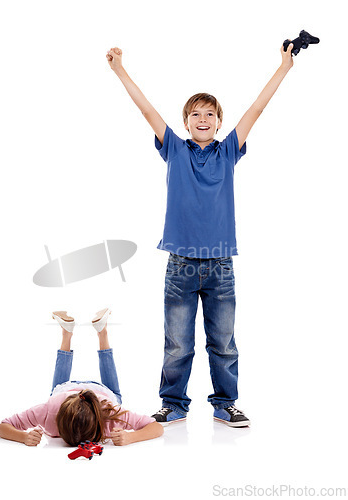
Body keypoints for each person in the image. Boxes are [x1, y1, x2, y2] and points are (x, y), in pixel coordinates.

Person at [106, 42, 295, 426]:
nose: (203, 118)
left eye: (210, 114)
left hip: (221, 264)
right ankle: (173, 404)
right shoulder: (174, 149)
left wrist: (284, 66)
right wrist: (120, 70)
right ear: (186, 121)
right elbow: (146, 110)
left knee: (223, 342)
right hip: (181, 264)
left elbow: (257, 108)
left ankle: (226, 403)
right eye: (196, 114)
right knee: (177, 344)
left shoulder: (228, 152)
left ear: (220, 122)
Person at [0, 309, 164, 446]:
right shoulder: (51, 409)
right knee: (60, 391)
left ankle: (78, 333)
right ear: (58, 422)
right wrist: (23, 437)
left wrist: (129, 438)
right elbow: (1, 427)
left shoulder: (109, 414)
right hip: (67, 391)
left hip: (80, 392)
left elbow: (157, 428)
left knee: (112, 395)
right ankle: (96, 332)